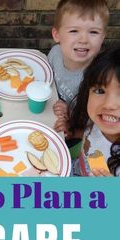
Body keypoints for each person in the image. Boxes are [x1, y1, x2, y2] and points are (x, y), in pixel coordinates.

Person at [47, 0, 109, 134]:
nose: (83, 40)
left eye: (93, 32)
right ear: (57, 35)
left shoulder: (98, 80)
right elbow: (46, 81)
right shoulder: (55, 53)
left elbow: (92, 128)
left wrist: (69, 120)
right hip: (46, 114)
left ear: (102, 37)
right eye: (74, 31)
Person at [68, 46, 120, 176]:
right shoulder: (93, 119)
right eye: (100, 91)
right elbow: (82, 134)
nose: (109, 105)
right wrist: (69, 131)